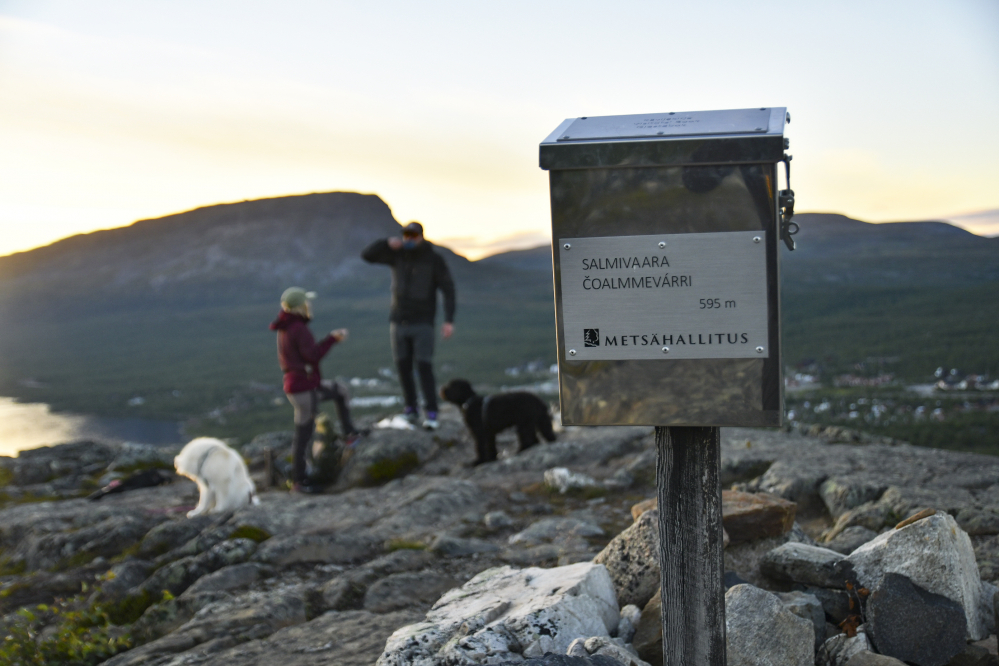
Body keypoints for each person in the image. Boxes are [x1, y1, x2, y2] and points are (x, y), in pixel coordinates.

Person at [361, 221, 455, 430]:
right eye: (406, 235)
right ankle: (410, 408)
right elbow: (367, 255)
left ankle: (431, 411)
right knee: (403, 367)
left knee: (424, 367)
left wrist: (448, 320)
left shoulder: (434, 260)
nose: (409, 239)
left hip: (423, 322)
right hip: (398, 321)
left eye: (413, 236)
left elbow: (448, 289)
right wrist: (385, 243)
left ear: (421, 236)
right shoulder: (398, 255)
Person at [270, 287, 358, 493]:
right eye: (307, 303)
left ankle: (350, 435)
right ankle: (300, 482)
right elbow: (313, 355)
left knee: (340, 391)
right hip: (303, 390)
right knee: (304, 435)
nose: (310, 305)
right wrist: (332, 339)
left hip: (303, 386)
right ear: (301, 306)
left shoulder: (287, 326)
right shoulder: (297, 328)